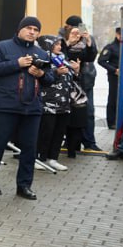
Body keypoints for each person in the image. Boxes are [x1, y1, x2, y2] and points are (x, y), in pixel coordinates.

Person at [0, 15, 52, 200]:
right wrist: (17, 64)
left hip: (32, 107)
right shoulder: (1, 47)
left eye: (36, 30)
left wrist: (41, 74)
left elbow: (50, 79)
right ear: (19, 29)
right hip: (7, 106)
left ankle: (24, 186)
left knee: (29, 148)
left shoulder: (42, 54)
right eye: (29, 28)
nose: (32, 32)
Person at [34, 35, 73, 171]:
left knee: (59, 132)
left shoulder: (62, 59)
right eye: (56, 44)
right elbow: (42, 78)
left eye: (60, 44)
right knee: (46, 132)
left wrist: (76, 70)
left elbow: (70, 78)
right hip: (48, 104)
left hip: (63, 103)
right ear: (47, 45)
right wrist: (56, 72)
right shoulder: (42, 60)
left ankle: (53, 158)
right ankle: (39, 158)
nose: (59, 47)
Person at [61, 17, 99, 150]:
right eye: (73, 28)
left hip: (85, 81)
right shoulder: (62, 37)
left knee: (88, 112)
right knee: (69, 112)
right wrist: (69, 42)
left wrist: (88, 41)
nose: (77, 32)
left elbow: (91, 57)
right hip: (68, 80)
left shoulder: (86, 36)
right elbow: (60, 54)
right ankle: (71, 143)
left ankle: (89, 142)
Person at [97, 26, 121, 130]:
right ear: (117, 34)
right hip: (114, 76)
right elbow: (101, 61)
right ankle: (111, 122)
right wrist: (114, 70)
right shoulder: (111, 47)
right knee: (113, 98)